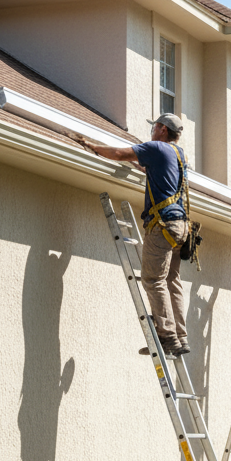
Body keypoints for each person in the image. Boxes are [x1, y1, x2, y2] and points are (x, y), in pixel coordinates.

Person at [75, 114, 191, 356]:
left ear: (162, 129)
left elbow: (119, 153)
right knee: (171, 281)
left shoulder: (156, 148)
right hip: (181, 226)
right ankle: (181, 337)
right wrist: (138, 165)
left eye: (155, 127)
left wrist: (92, 146)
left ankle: (167, 336)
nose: (152, 131)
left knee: (153, 280)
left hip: (163, 224)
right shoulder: (179, 155)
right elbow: (151, 170)